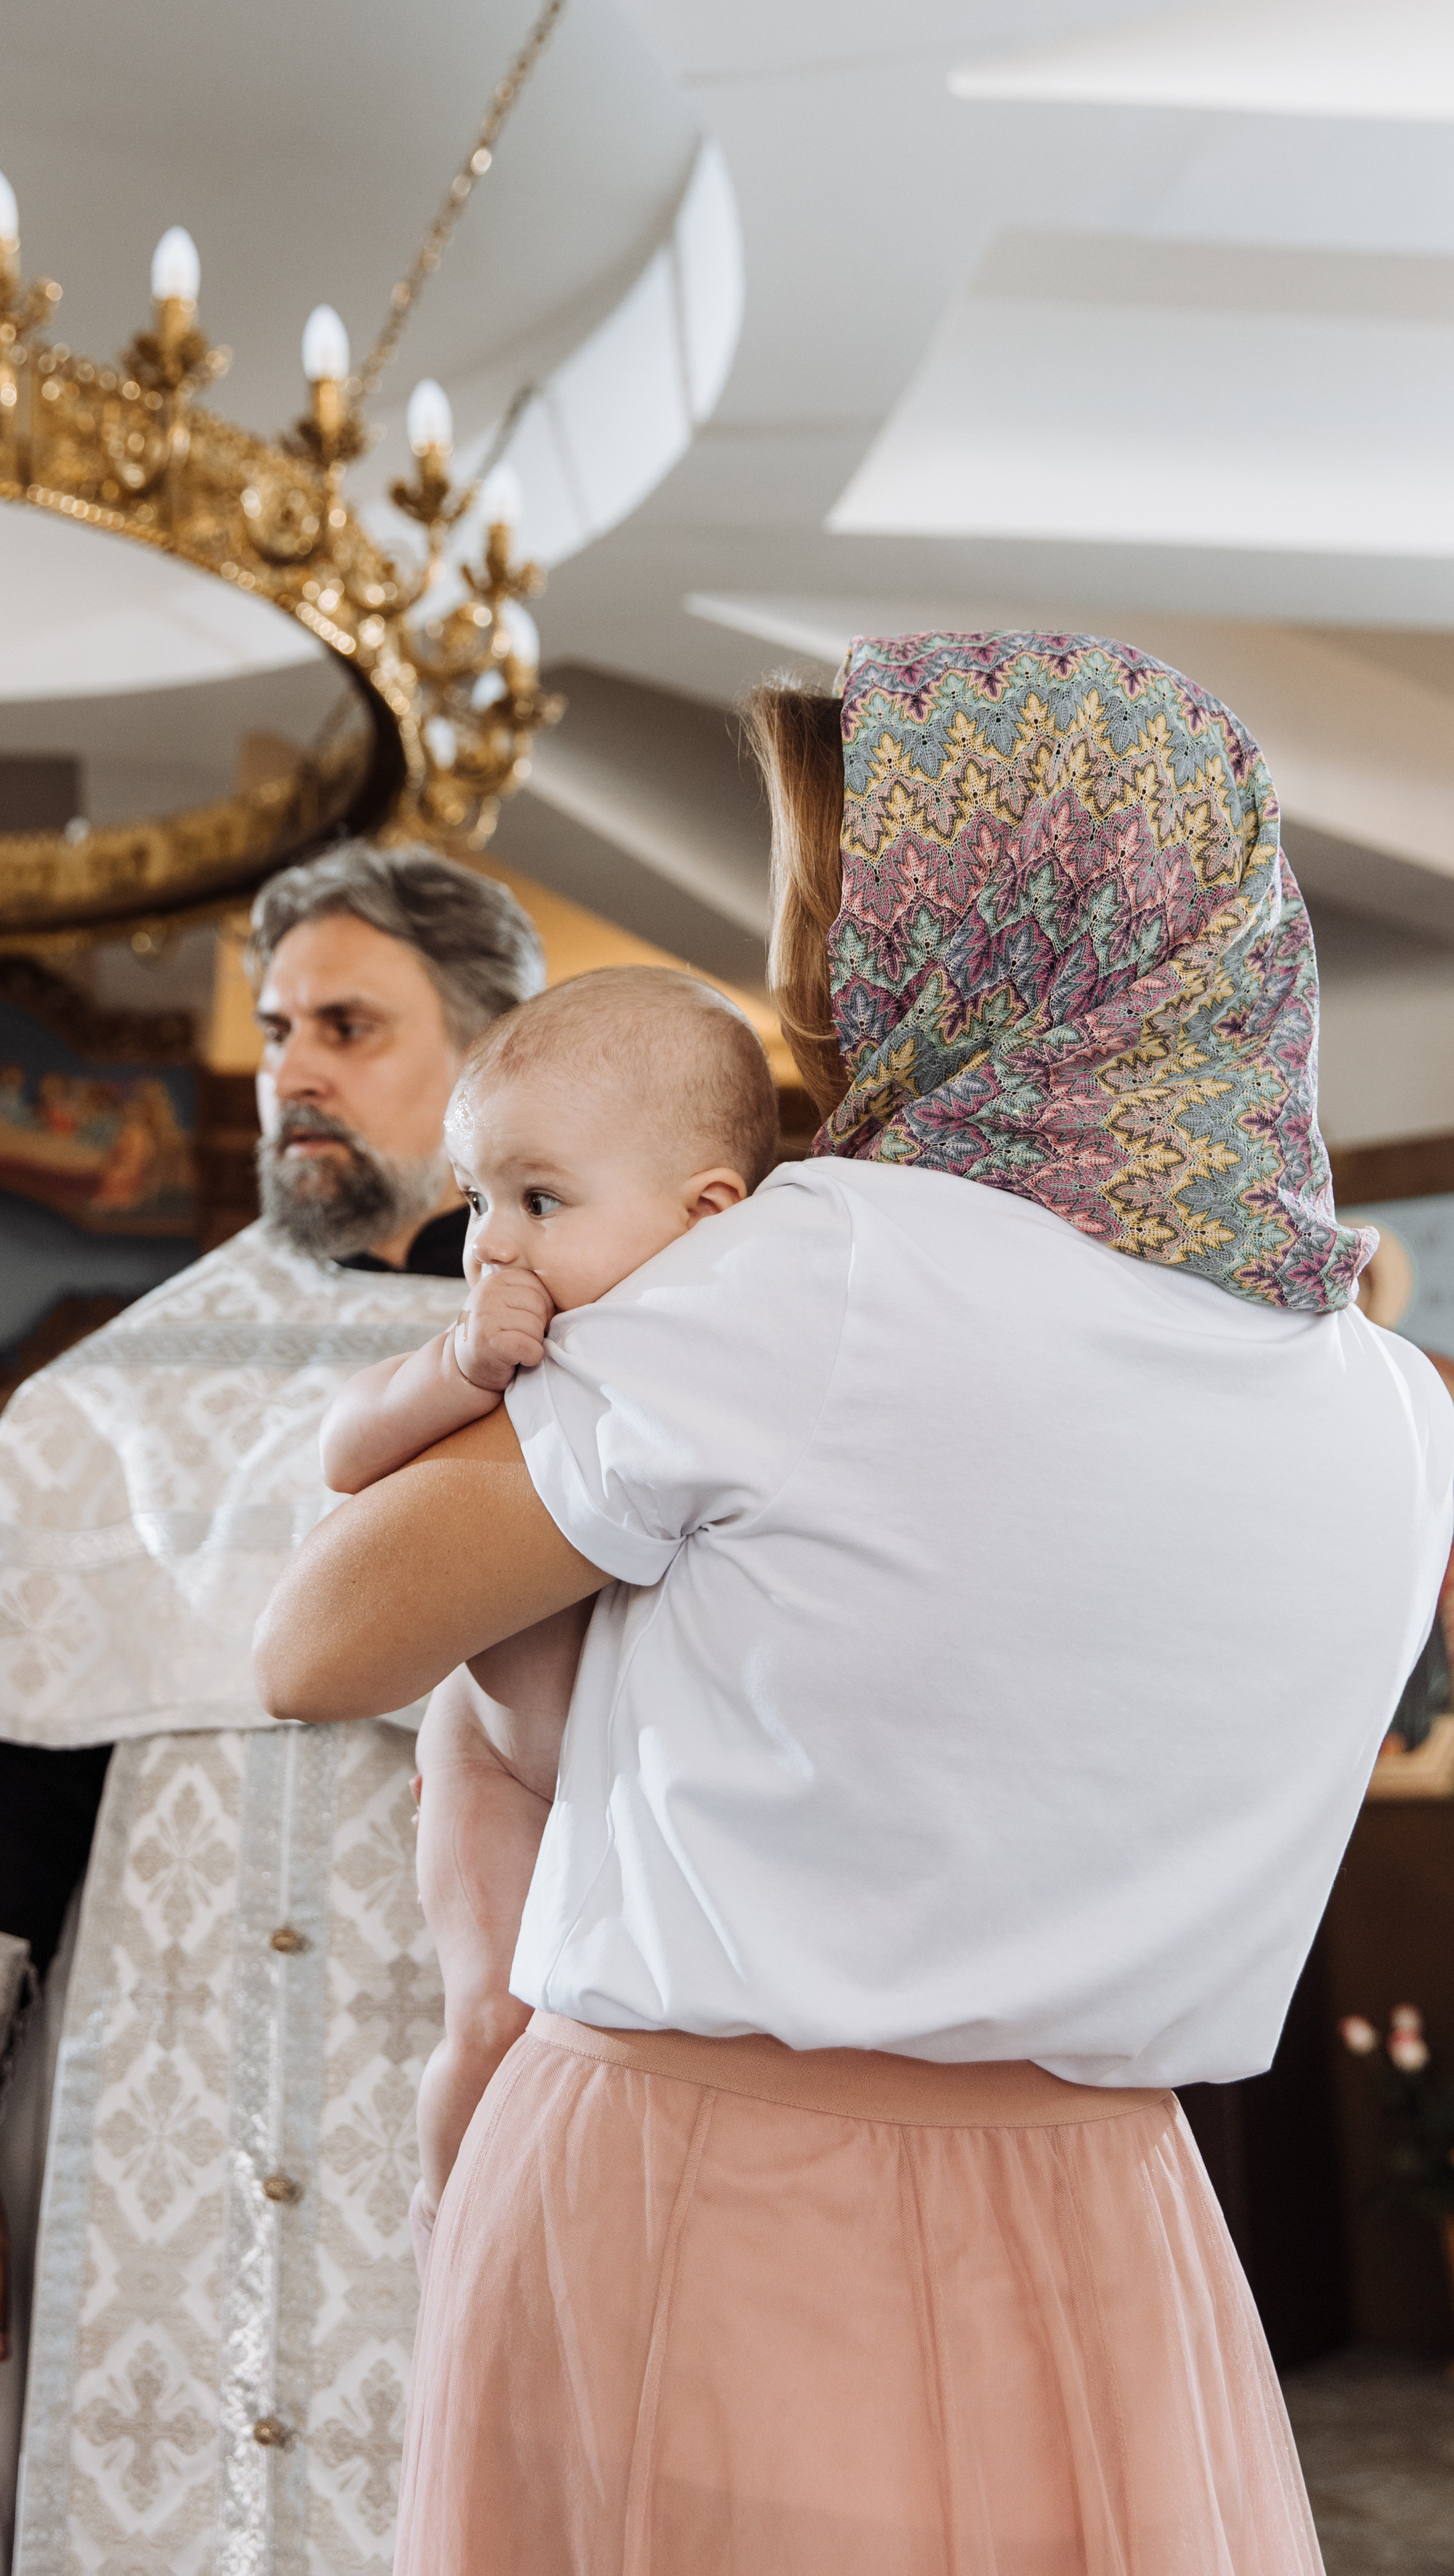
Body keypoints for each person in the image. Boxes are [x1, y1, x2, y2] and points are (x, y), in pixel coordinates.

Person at [254, 635, 1454, 2576]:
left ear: (995, 931)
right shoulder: (1393, 1414)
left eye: (832, 906)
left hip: (706, 2189)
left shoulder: (823, 1265)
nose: (805, 972)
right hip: (1118, 2227)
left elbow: (316, 1645)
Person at [0, 841, 544, 2576]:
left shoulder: (600, 1379)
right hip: (151, 2168)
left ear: (488, 1052)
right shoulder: (117, 1397)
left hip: (459, 2127)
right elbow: (24, 1809)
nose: (294, 1069)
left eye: (350, 1025)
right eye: (279, 1029)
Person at [319, 966, 778, 2253]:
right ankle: (448, 2212)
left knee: (633, 2041)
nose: (495, 1244)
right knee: (495, 2013)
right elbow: (348, 1451)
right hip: (493, 1765)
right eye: (477, 1200)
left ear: (706, 1217)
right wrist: (454, 1369)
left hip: (638, 1780)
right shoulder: (504, 1346)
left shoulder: (735, 1362)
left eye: (539, 1200)